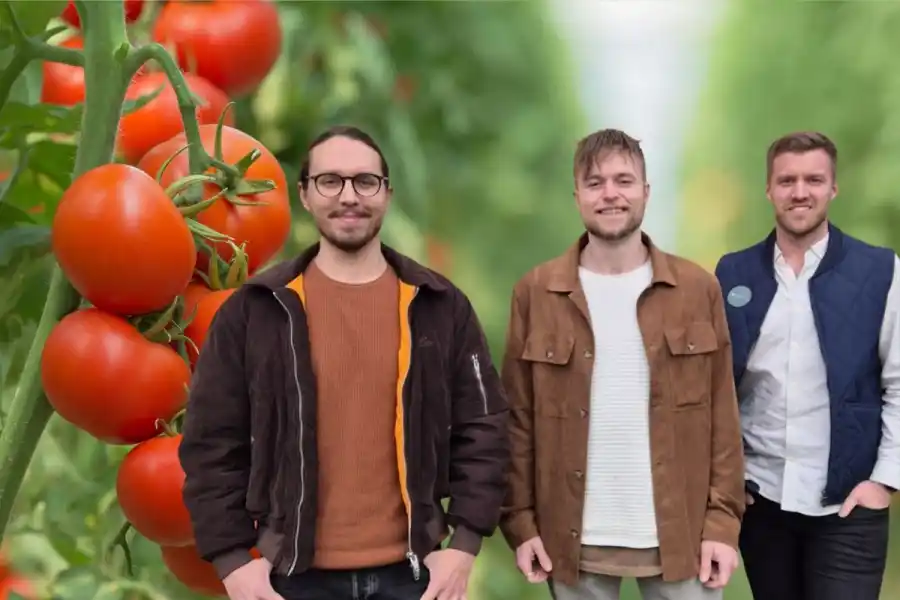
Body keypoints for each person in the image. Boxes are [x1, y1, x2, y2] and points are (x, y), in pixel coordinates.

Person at [178, 125, 510, 600]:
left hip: (412, 579)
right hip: (291, 579)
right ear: (306, 195)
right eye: (330, 181)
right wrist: (232, 562)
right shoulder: (255, 312)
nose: (348, 196)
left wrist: (465, 545)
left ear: (387, 194)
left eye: (365, 182)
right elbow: (212, 441)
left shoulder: (439, 306)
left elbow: (485, 426)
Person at [499, 128, 745, 600]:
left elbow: (722, 417)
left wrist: (721, 523)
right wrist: (520, 521)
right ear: (577, 197)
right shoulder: (536, 292)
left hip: (684, 537)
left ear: (646, 193)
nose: (610, 193)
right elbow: (519, 421)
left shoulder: (697, 290)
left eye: (623, 180)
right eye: (595, 183)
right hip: (570, 540)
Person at [715, 131, 899, 600]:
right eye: (787, 180)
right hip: (763, 503)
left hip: (849, 506)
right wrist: (728, 482)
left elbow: (898, 383)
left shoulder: (881, 272)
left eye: (814, 179)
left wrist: (883, 483)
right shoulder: (731, 274)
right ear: (769, 189)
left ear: (833, 187)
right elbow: (714, 389)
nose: (800, 191)